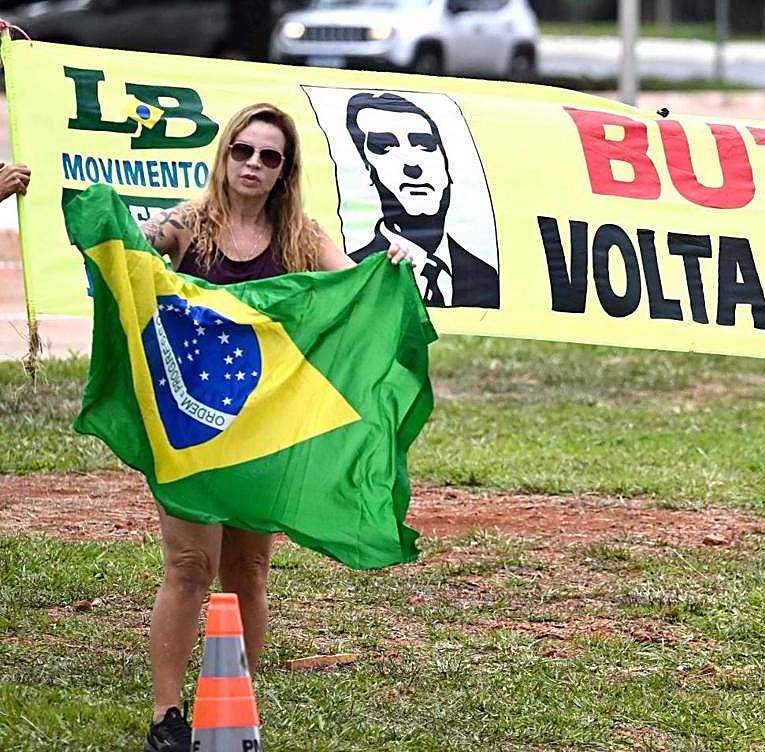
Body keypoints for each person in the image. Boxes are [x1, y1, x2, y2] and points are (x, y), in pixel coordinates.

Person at [137, 102, 412, 751]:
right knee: (187, 565)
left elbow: (356, 287)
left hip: (266, 437)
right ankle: (165, 717)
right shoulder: (191, 225)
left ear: (285, 171)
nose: (253, 165)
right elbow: (141, 245)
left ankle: (236, 707)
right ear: (225, 153)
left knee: (249, 571)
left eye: (269, 156)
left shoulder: (300, 237)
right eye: (243, 151)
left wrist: (391, 263)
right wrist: (133, 236)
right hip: (194, 431)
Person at [344, 91, 500, 308]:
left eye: (424, 145)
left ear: (446, 164)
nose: (412, 165)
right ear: (366, 170)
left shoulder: (486, 277)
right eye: (385, 147)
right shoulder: (351, 271)